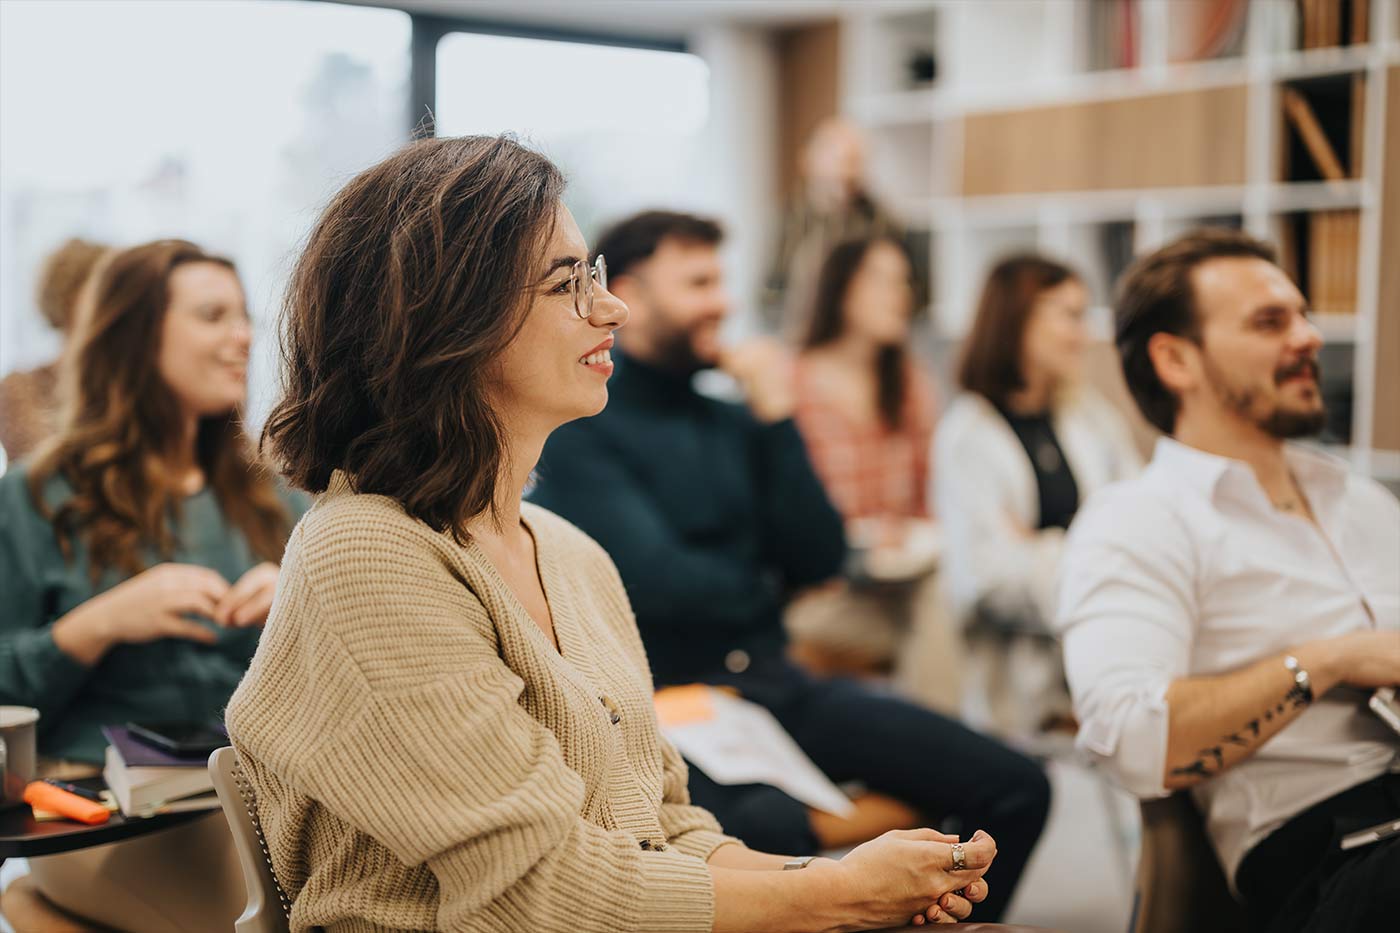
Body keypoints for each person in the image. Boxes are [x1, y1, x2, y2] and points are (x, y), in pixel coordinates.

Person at [226, 135, 998, 933]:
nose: (612, 308)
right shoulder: (366, 554)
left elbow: (668, 831)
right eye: (569, 284)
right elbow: (536, 892)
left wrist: (842, 881)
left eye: (592, 275)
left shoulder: (568, 551)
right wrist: (837, 895)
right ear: (449, 319)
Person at [530, 209, 1048, 923]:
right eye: (700, 282)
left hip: (776, 682)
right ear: (635, 295)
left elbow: (822, 554)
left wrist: (777, 416)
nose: (725, 303)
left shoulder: (736, 420)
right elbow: (656, 583)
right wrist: (766, 583)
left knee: (1016, 783)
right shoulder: (584, 423)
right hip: (670, 702)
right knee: (767, 828)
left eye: (723, 280)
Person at [1057, 229, 1399, 933]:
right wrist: (1333, 659)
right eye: (1270, 322)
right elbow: (1128, 736)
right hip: (1332, 854)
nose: (1308, 337)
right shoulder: (1138, 519)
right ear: (1175, 358)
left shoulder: (1360, 498)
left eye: (1302, 314)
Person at [0, 238, 304, 932]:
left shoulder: (275, 498)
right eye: (212, 315)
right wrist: (97, 624)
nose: (242, 337)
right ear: (136, 338)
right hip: (104, 815)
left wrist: (301, 606)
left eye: (243, 316)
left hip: (259, 800)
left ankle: (35, 911)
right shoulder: (36, 499)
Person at [935, 254, 1141, 737]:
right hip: (1018, 674)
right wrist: (1093, 557)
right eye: (1068, 316)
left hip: (1107, 642)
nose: (1083, 334)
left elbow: (1138, 523)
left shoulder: (1090, 415)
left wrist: (1039, 548)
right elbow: (984, 580)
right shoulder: (967, 435)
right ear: (1017, 320)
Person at [787, 234, 958, 712]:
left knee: (946, 602)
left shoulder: (908, 383)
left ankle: (941, 753)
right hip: (823, 593)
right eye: (881, 280)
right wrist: (857, 540)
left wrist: (910, 532)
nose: (899, 295)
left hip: (902, 580)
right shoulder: (791, 385)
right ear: (840, 289)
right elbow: (782, 515)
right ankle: (944, 754)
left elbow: (932, 495)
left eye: (903, 282)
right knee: (940, 625)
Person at [763, 118, 901, 336]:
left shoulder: (880, 222)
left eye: (857, 161)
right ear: (808, 161)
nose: (848, 173)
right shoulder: (787, 220)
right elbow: (768, 291)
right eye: (840, 160)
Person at [0, 237, 108, 460]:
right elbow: (40, 466)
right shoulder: (19, 388)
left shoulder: (122, 386)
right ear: (69, 298)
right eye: (104, 290)